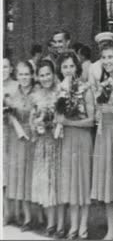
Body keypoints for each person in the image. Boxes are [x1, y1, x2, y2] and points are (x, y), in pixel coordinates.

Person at [55, 51, 95, 239]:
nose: (69, 70)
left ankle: (83, 226)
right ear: (60, 69)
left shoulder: (85, 88)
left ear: (77, 67)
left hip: (82, 137)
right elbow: (57, 117)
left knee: (83, 181)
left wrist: (69, 123)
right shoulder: (59, 90)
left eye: (72, 66)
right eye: (65, 67)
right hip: (67, 140)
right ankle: (73, 226)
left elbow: (91, 120)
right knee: (70, 182)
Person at [91, 43, 113, 240]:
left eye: (110, 57)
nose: (106, 61)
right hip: (103, 137)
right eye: (103, 57)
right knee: (108, 184)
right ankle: (112, 230)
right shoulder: (103, 83)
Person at [29, 60, 61, 237]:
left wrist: (54, 122)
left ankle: (59, 223)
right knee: (46, 181)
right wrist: (37, 124)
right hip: (43, 143)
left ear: (53, 74)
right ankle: (50, 223)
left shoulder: (60, 93)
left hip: (57, 143)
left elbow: (63, 116)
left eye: (48, 74)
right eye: (41, 75)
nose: (45, 78)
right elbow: (32, 121)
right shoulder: (36, 96)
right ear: (37, 77)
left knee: (56, 182)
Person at [4, 61, 36, 231]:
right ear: (16, 76)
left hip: (33, 137)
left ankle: (36, 216)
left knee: (31, 176)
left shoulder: (37, 92)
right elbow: (8, 115)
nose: (24, 77)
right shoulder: (11, 94)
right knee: (19, 176)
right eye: (21, 74)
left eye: (27, 74)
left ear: (32, 75)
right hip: (17, 138)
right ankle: (24, 217)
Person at [2, 57, 19, 225]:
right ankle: (6, 212)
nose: (3, 70)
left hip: (13, 132)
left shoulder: (16, 86)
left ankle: (16, 211)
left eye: (6, 67)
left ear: (11, 68)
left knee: (13, 173)